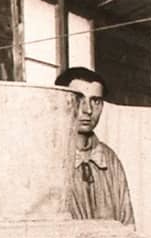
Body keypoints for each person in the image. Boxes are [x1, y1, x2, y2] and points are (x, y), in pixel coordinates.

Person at [55, 67, 134, 226]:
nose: (88, 110)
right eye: (79, 99)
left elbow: (127, 224)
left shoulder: (109, 159)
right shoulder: (50, 158)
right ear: (61, 101)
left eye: (95, 101)